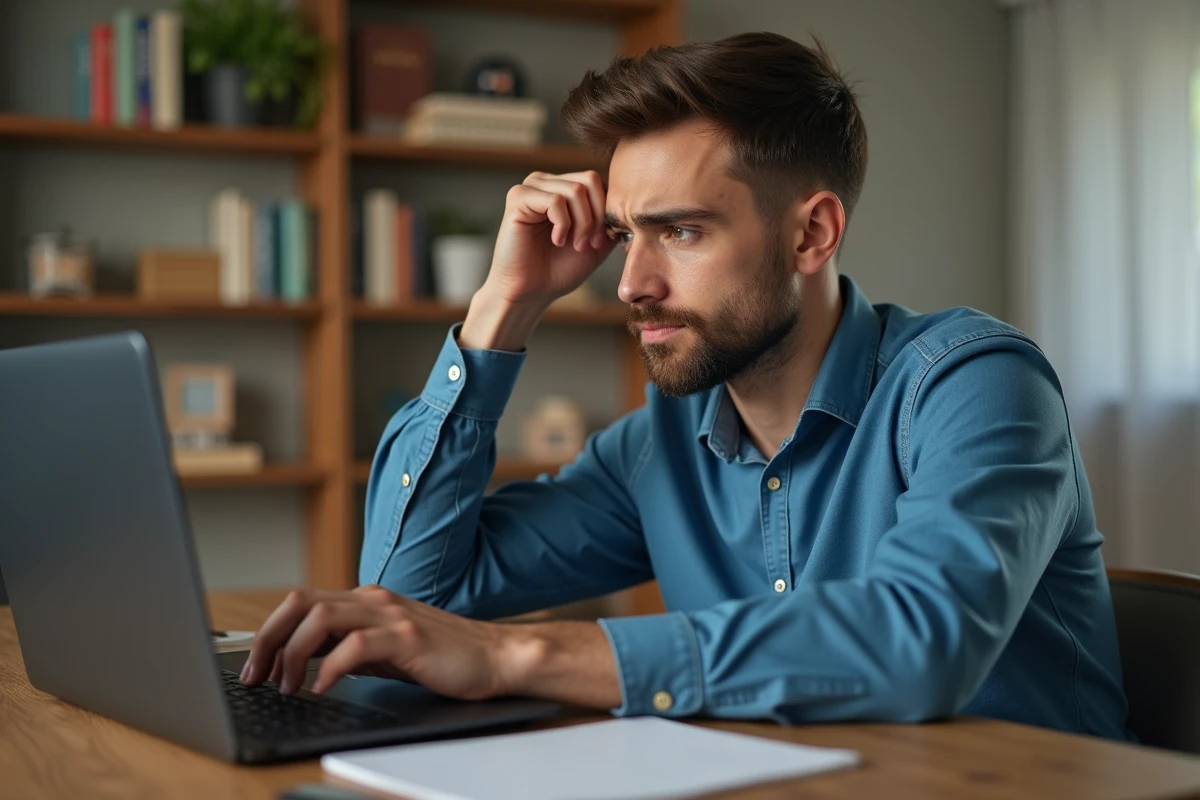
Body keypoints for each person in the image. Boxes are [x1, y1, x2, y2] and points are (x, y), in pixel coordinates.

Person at [241, 32, 1131, 740]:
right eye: (628, 234)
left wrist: (518, 657)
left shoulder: (974, 382)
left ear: (811, 235)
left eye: (682, 232)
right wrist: (500, 308)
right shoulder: (659, 446)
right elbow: (408, 597)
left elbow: (920, 641)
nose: (631, 284)